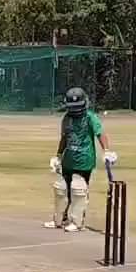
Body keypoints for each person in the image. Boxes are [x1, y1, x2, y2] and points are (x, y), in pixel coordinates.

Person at [44, 87, 117, 233]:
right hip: (68, 160)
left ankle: (77, 222)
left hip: (84, 160)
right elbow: (64, 138)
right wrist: (58, 156)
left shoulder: (90, 117)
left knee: (78, 190)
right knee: (61, 190)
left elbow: (100, 133)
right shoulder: (66, 118)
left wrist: (107, 151)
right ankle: (60, 219)